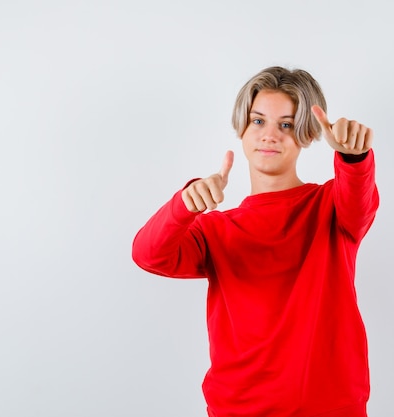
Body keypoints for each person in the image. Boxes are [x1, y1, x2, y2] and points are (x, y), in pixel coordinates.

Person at [132, 66, 379, 417]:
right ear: (242, 129)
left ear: (308, 135)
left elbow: (360, 198)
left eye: (287, 124)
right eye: (258, 121)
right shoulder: (214, 230)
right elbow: (148, 255)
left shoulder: (332, 206)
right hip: (238, 409)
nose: (270, 135)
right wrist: (185, 204)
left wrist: (353, 157)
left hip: (330, 407)